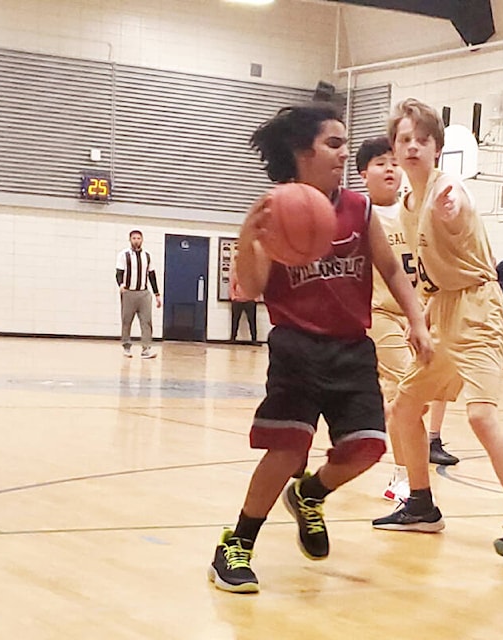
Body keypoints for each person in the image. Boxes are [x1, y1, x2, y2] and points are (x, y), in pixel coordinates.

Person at [209, 103, 433, 594]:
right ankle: (236, 544)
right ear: (300, 152)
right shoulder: (274, 212)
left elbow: (392, 269)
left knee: (368, 448)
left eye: (344, 143)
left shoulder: (360, 209)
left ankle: (310, 496)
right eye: (333, 143)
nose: (343, 152)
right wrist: (248, 236)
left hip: (352, 348)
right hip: (297, 347)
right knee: (287, 449)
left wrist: (417, 319)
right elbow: (249, 285)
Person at [371, 98, 503, 557]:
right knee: (403, 409)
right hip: (444, 309)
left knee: (479, 415)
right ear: (394, 148)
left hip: (478, 307)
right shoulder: (408, 202)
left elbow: (458, 209)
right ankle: (420, 505)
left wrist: (452, 213)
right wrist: (422, 318)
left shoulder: (447, 189)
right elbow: (429, 270)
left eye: (422, 140)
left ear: (437, 148)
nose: (412, 146)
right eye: (404, 139)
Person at [355, 136, 457, 503]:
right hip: (380, 315)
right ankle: (402, 476)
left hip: (422, 315)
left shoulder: (414, 211)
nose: (390, 169)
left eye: (394, 163)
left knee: (414, 399)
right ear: (363, 173)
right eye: (381, 163)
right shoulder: (358, 217)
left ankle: (365, 421)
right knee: (406, 394)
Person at [116, 229, 161, 359]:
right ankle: (126, 347)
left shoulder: (147, 255)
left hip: (144, 293)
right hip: (128, 292)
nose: (136, 240)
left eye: (138, 238)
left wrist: (157, 294)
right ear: (130, 240)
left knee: (146, 321)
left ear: (142, 240)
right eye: (134, 238)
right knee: (126, 321)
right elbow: (119, 272)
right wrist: (121, 284)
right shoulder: (124, 255)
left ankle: (146, 349)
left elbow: (152, 275)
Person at [228, 259, 261, 344]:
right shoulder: (235, 273)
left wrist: (256, 298)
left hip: (250, 300)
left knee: (252, 321)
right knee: (235, 320)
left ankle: (254, 339)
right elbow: (232, 285)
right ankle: (233, 338)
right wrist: (233, 297)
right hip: (238, 300)